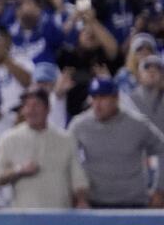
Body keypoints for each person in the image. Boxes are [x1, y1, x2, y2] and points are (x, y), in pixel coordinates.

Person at [67, 77, 164, 208]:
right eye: (94, 98)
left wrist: (159, 189)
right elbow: (66, 157)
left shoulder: (137, 124)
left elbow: (162, 149)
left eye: (102, 98)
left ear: (116, 98)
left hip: (134, 203)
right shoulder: (79, 125)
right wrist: (77, 194)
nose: (97, 103)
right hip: (94, 203)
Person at [0, 88, 89, 209]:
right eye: (27, 106)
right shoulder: (8, 139)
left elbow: (78, 177)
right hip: (23, 216)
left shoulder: (66, 139)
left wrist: (81, 200)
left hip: (60, 214)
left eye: (36, 105)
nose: (31, 110)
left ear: (48, 109)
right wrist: (18, 170)